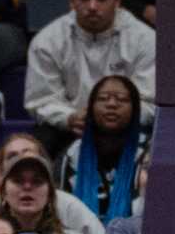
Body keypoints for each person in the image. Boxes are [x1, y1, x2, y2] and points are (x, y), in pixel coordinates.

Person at [22, 0, 156, 138]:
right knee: (41, 139)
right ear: (72, 0)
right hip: (71, 127)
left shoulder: (146, 39)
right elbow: (41, 101)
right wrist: (69, 118)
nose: (92, 6)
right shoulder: (46, 41)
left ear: (117, 0)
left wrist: (114, 118)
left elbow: (150, 102)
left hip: (128, 127)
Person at [58, 75, 148, 224]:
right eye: (103, 98)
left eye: (122, 99)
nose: (112, 104)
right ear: (90, 108)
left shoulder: (147, 155)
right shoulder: (72, 155)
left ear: (135, 109)